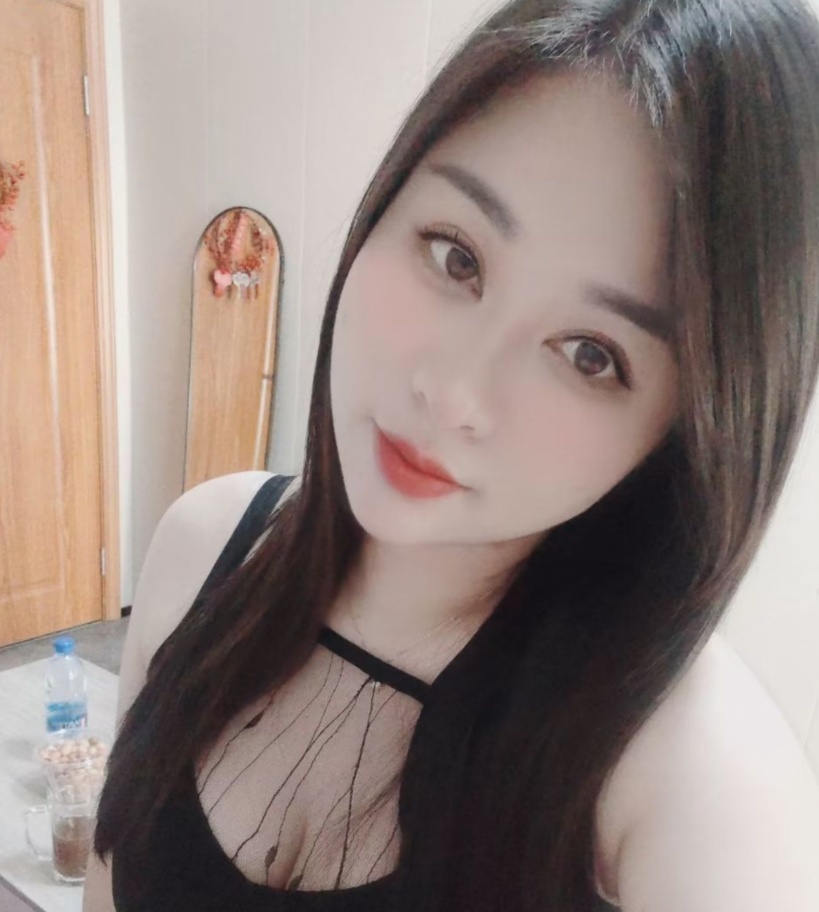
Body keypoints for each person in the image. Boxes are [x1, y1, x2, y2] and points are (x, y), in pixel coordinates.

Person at [83, 0, 819, 909]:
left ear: (687, 429)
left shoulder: (697, 783)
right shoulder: (202, 548)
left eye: (590, 354)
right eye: (456, 256)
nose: (455, 393)